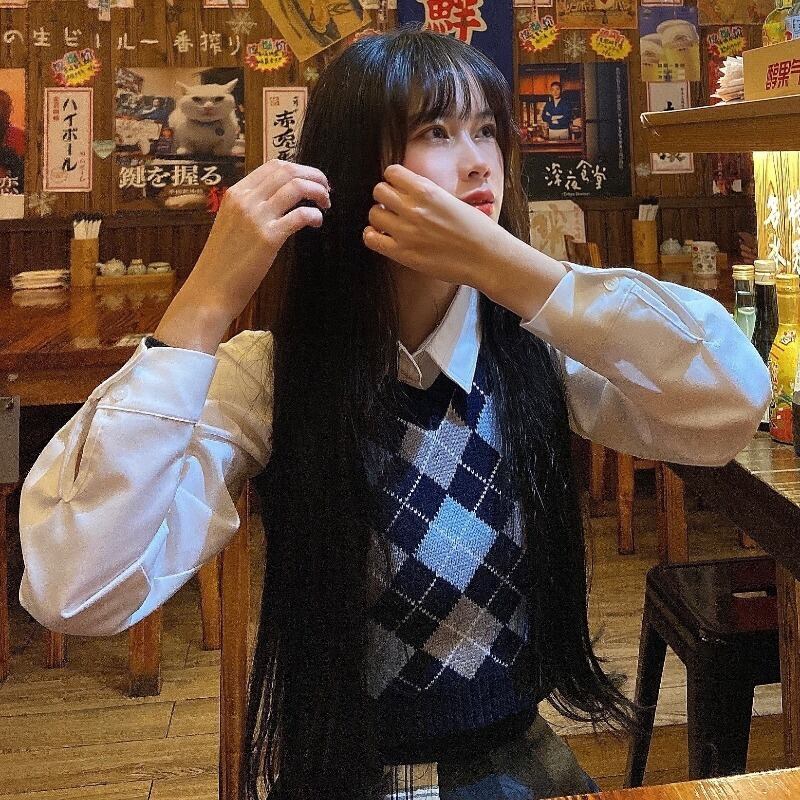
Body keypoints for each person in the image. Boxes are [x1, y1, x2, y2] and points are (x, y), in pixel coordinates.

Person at [18, 28, 769, 800]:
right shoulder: (274, 377)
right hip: (340, 776)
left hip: (517, 770)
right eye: (436, 132)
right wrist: (206, 300)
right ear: (353, 167)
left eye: (487, 130)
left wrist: (515, 271)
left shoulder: (535, 354)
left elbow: (731, 405)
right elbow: (78, 587)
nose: (477, 162)